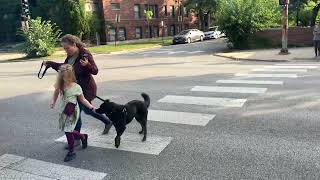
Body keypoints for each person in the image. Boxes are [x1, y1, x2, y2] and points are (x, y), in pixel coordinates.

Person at [44, 34, 112, 149]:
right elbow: (64, 68)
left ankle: (76, 139)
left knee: (77, 113)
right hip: (74, 88)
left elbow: (95, 71)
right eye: (64, 49)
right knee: (87, 110)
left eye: (67, 48)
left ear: (74, 44)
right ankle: (107, 122)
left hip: (85, 89)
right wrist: (50, 64)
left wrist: (87, 65)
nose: (66, 51)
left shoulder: (84, 54)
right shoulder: (70, 57)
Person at [51, 64, 93, 162]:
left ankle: (71, 152)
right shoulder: (60, 84)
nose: (66, 79)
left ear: (71, 75)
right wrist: (53, 101)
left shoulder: (76, 87)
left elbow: (83, 100)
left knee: (68, 131)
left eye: (68, 77)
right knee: (66, 129)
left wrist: (90, 106)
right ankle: (83, 136)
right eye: (64, 77)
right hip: (64, 110)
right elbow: (56, 93)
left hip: (73, 111)